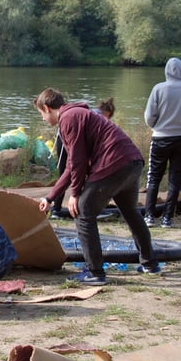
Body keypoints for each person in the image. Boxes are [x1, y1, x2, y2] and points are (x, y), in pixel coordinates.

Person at [35, 88, 161, 286]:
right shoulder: (78, 114)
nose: (43, 119)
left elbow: (77, 161)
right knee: (131, 213)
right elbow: (71, 166)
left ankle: (94, 272)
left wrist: (75, 194)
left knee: (82, 212)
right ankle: (150, 264)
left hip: (113, 164)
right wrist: (50, 198)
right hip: (132, 162)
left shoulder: (68, 118)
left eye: (41, 114)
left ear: (46, 108)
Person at [143, 57, 181, 228]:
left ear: (167, 70)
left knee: (154, 177)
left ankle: (149, 216)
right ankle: (167, 218)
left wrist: (156, 125)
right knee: (175, 179)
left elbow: (149, 116)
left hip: (160, 137)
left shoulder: (158, 89)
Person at [50, 97, 116, 219]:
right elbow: (79, 159)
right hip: (70, 138)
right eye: (109, 117)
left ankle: (56, 208)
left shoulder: (87, 112)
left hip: (62, 138)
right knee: (78, 171)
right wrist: (75, 193)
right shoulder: (98, 116)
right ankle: (84, 206)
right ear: (107, 113)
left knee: (64, 173)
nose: (108, 120)